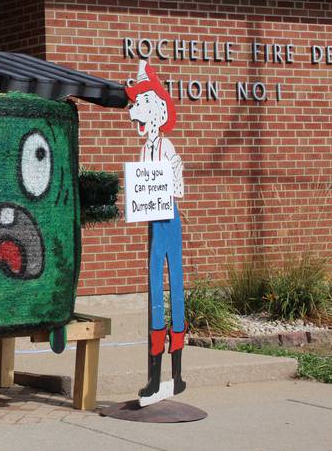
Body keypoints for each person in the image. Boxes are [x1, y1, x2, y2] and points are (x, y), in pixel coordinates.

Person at [126, 60, 186, 404]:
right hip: (153, 221)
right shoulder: (144, 148)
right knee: (154, 293)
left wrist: (160, 188)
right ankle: (155, 376)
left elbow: (176, 186)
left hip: (169, 219)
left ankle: (176, 376)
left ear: (158, 111)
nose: (136, 112)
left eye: (141, 104)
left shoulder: (167, 147)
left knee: (174, 287)